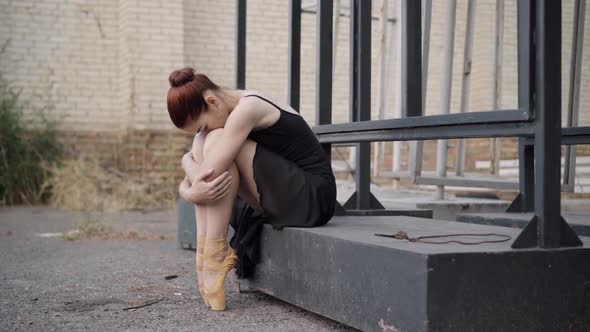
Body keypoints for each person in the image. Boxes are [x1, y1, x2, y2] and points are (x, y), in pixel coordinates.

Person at [166, 67, 337, 311]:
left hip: (312, 196)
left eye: (201, 125)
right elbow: (199, 172)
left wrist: (188, 172)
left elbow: (209, 172)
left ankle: (213, 254)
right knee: (207, 143)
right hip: (281, 191)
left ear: (212, 101)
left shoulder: (248, 108)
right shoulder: (222, 114)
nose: (201, 132)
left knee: (213, 142)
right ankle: (206, 254)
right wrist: (190, 181)